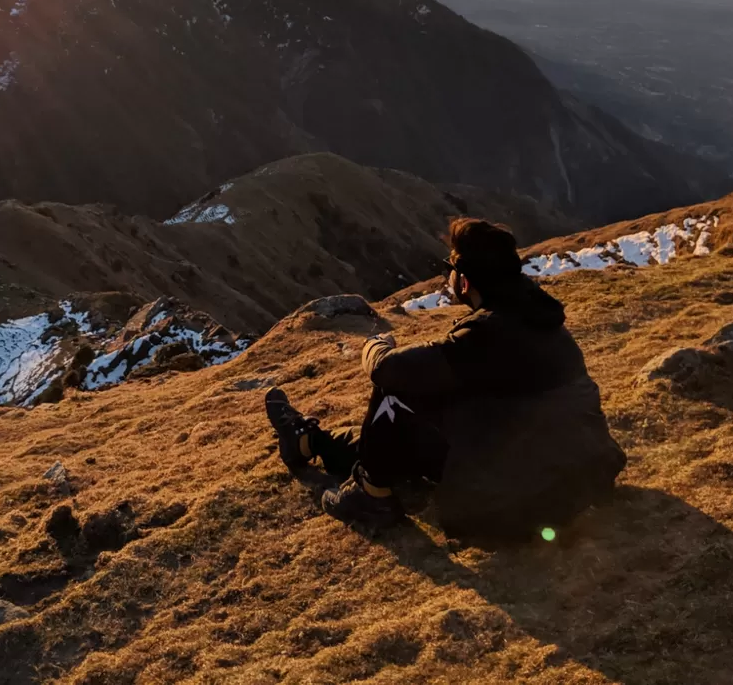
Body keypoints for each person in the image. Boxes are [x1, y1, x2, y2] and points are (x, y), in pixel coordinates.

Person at [266, 217, 626, 539]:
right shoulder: (541, 320)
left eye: (448, 268)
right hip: (584, 473)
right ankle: (310, 442)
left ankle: (370, 498)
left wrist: (374, 345)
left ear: (464, 280)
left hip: (519, 502)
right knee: (407, 426)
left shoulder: (485, 336)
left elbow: (388, 370)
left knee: (392, 397)